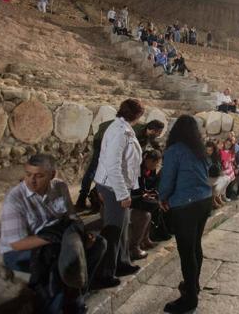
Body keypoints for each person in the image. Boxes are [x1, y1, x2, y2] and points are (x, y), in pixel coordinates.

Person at [0, 154, 106, 312]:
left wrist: (82, 235)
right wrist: (53, 239)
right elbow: (16, 244)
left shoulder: (59, 186)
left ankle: (76, 293)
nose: (31, 181)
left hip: (59, 236)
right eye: (28, 174)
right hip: (21, 250)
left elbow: (71, 216)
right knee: (57, 257)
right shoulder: (15, 198)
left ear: (52, 175)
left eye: (39, 176)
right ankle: (59, 307)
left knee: (98, 244)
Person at [158, 116, 213, 313]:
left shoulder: (175, 150)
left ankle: (190, 298)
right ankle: (193, 285)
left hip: (186, 204)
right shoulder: (199, 149)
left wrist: (162, 198)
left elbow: (167, 179)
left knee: (186, 252)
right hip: (204, 200)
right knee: (195, 246)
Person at [93, 99, 144, 288]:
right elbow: (113, 165)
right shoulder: (120, 132)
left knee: (122, 228)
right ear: (137, 115)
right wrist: (123, 194)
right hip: (113, 187)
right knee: (113, 230)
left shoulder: (124, 128)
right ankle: (105, 273)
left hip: (118, 185)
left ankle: (121, 263)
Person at [76, 119, 165, 211]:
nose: (159, 135)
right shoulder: (133, 132)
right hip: (103, 139)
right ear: (153, 130)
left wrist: (161, 152)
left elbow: (148, 146)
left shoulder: (147, 134)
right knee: (94, 169)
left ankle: (96, 194)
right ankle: (82, 198)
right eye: (159, 133)